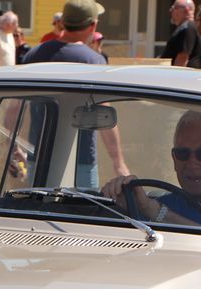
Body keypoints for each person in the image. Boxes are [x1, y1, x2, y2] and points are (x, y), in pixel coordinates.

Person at [22, 0, 129, 185]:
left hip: (39, 158)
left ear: (62, 22)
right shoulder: (94, 62)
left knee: (37, 212)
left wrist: (14, 146)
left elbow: (17, 107)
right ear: (92, 25)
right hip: (82, 161)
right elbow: (104, 116)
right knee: (81, 212)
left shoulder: (33, 56)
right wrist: (118, 163)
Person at [101, 111, 201, 229]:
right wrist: (120, 197)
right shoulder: (149, 208)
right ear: (174, 159)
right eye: (182, 154)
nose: (191, 162)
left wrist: (156, 212)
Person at [160, 0, 201, 68]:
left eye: (174, 8)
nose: (171, 10)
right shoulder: (183, 27)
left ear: (186, 10)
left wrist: (174, 76)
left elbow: (183, 57)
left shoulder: (188, 28)